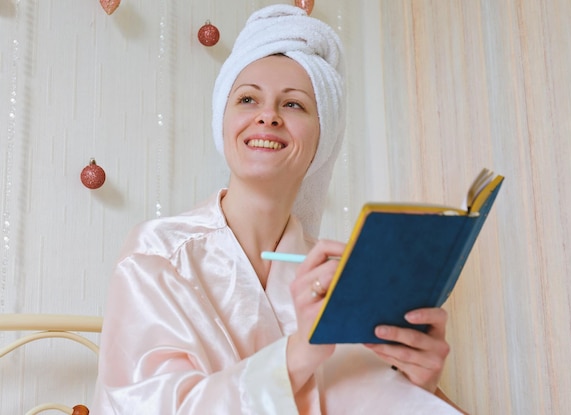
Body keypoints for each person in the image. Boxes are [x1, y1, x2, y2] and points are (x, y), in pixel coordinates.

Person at [92, 5, 462, 414]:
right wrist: (300, 351)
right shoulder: (157, 254)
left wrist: (419, 382)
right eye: (248, 99)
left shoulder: (340, 277)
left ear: (323, 138)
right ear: (223, 120)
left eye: (294, 105)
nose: (267, 116)